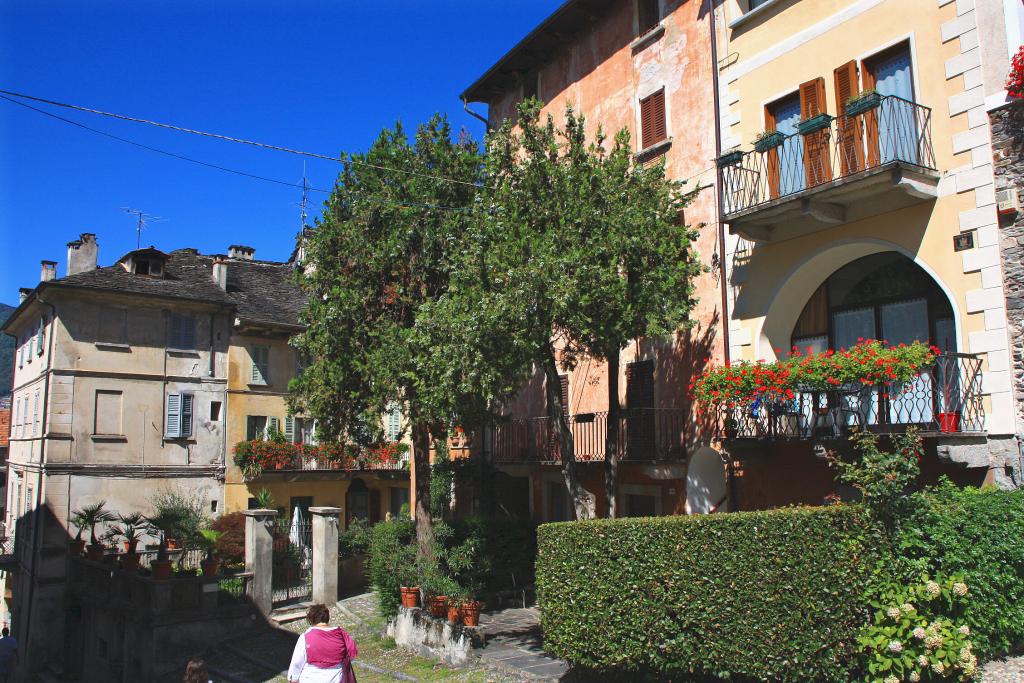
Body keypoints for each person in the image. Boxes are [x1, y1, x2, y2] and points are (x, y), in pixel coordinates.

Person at [287, 603, 358, 683]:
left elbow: (297, 662)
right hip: (336, 678)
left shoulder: (306, 637)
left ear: (311, 619)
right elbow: (352, 652)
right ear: (327, 618)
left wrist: (293, 679)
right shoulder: (341, 634)